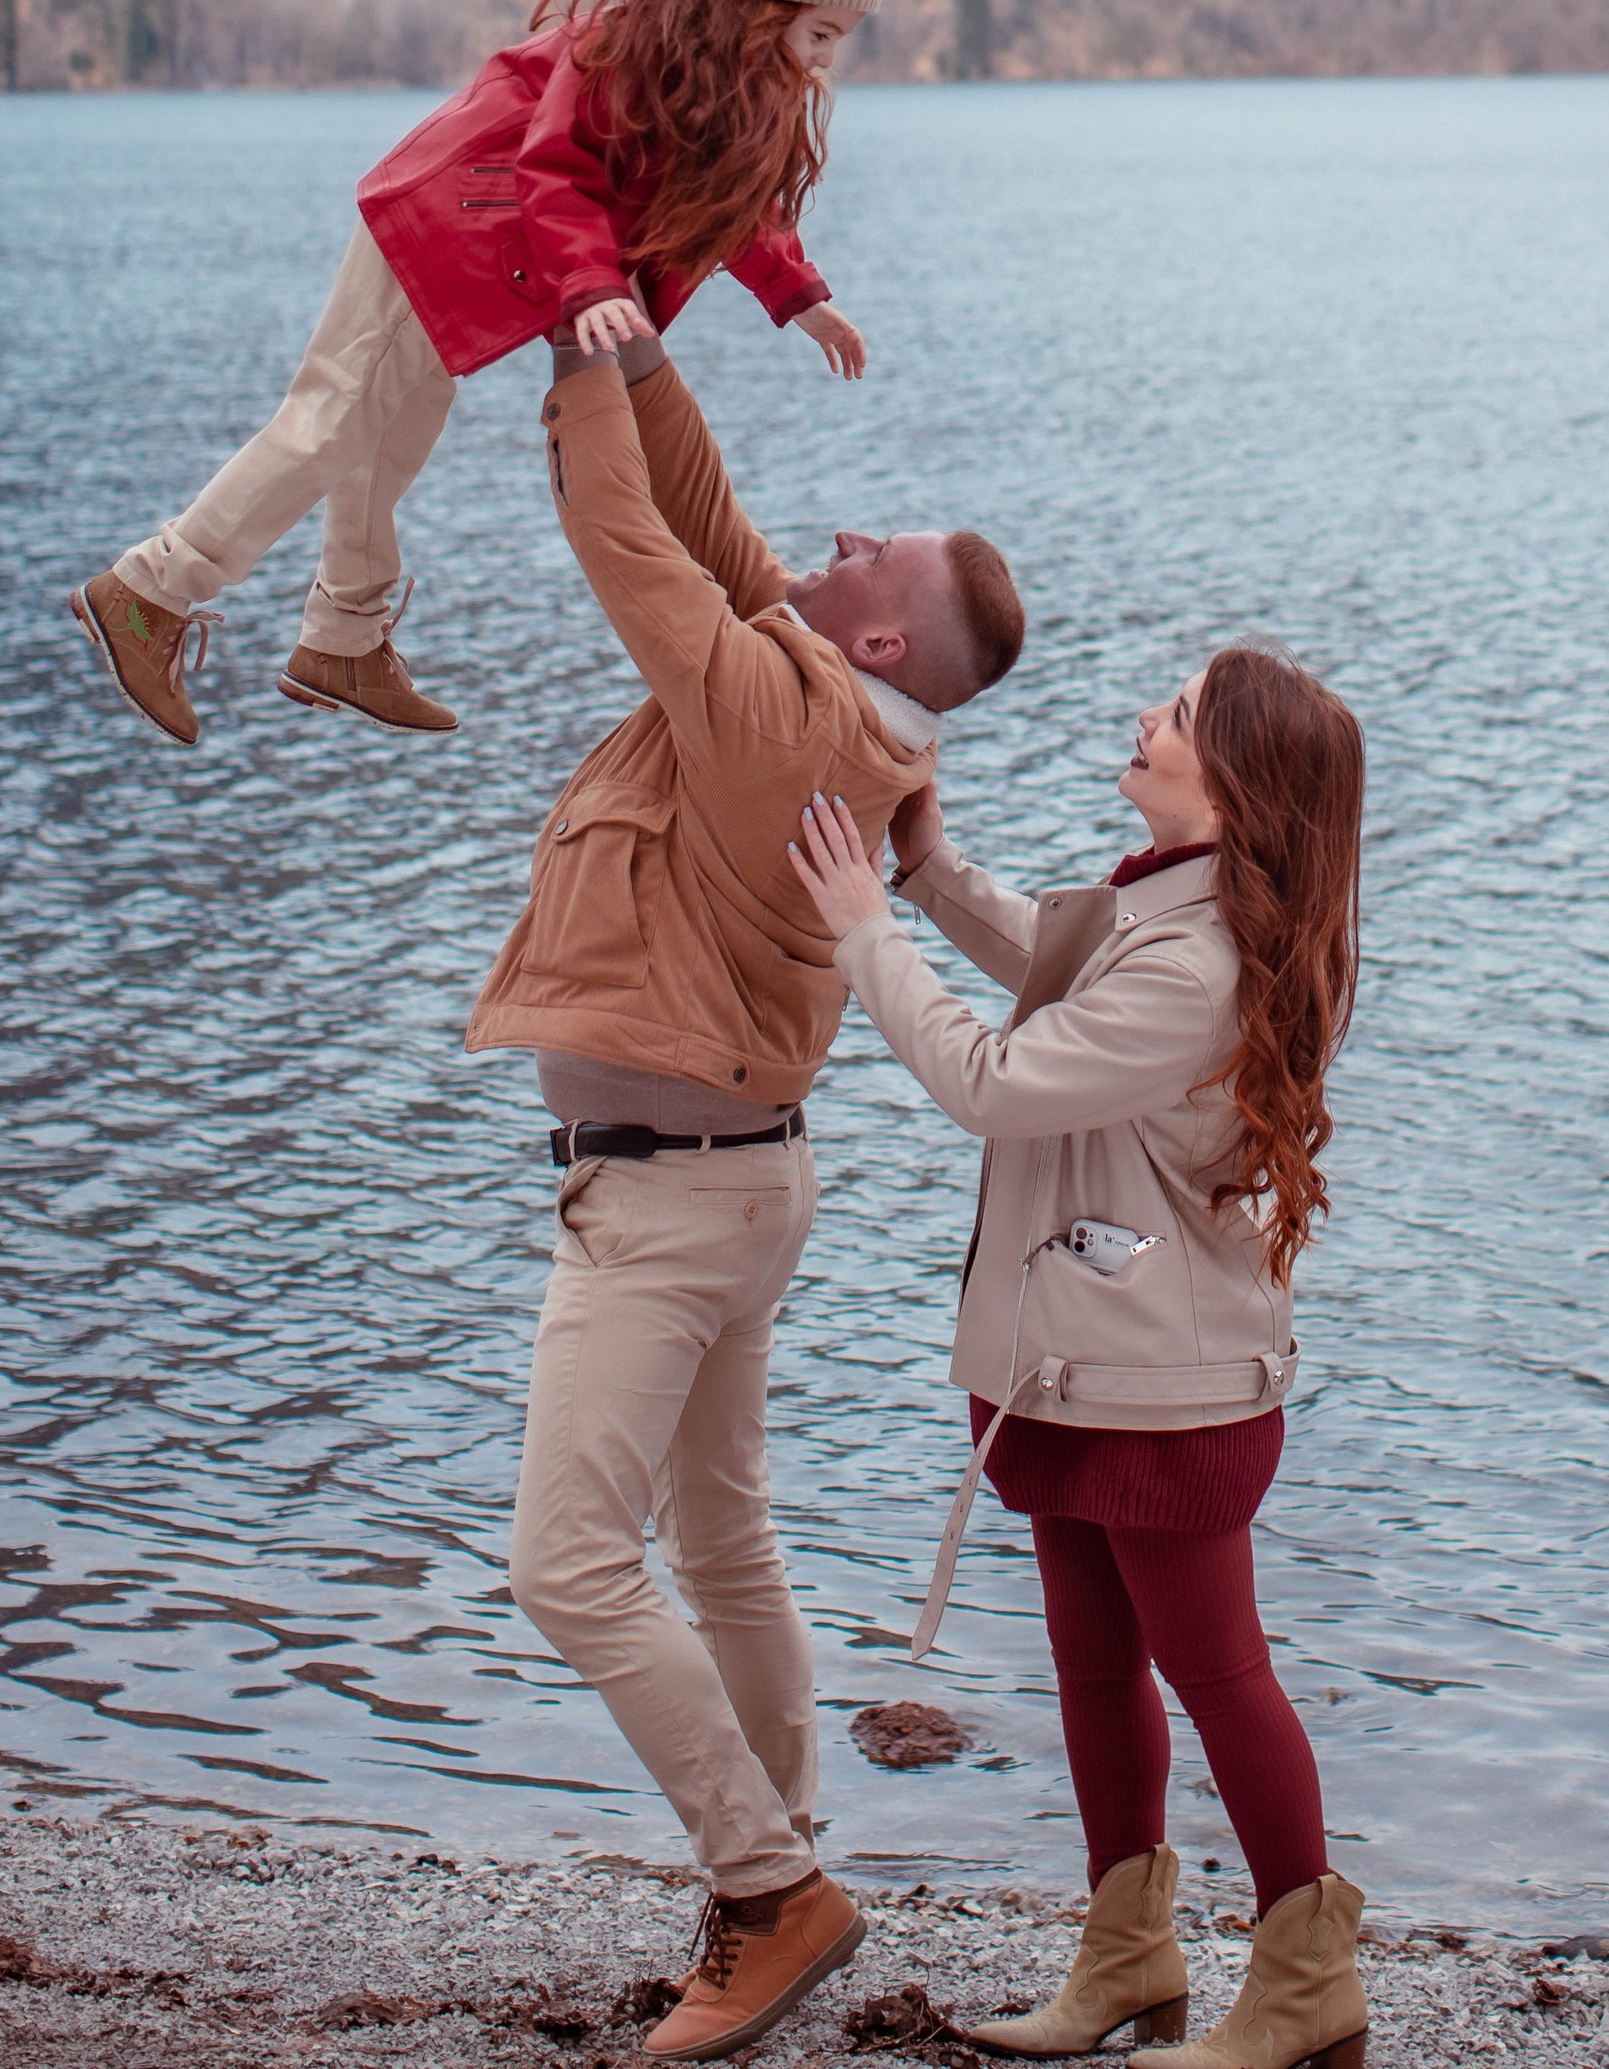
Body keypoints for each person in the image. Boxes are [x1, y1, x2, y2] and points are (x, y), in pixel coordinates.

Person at [476, 325, 1024, 2062]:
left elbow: (629, 545)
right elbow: (713, 529)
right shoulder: (844, 708)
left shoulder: (781, 723)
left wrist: (576, 386)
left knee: (569, 1565)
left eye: (873, 551)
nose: (838, 533)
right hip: (741, 1179)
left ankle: (770, 1892)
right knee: (720, 1537)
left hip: (668, 1209)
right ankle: (781, 1857)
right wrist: (630, 351)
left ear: (881, 638)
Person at [790, 647, 1370, 2069]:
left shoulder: (1200, 960)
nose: (1142, 720)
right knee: (1095, 1670)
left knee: (1219, 1677)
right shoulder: (1171, 911)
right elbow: (1060, 974)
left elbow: (995, 1083)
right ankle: (1127, 1960)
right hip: (1078, 1364)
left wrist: (867, 932)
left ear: (1233, 786)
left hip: (1164, 1394)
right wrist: (927, 872)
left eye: (1175, 715)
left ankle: (1307, 1985)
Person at [68, 0, 881, 746]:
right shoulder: (634, 48)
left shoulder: (726, 86)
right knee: (330, 422)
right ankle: (148, 591)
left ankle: (342, 638)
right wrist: (591, 284)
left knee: (387, 436)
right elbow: (557, 167)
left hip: (477, 255)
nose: (825, 61)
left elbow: (730, 207)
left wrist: (800, 298)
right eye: (819, 34)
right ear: (760, 6)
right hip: (437, 227)